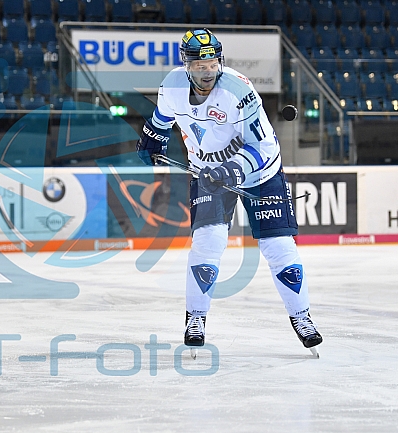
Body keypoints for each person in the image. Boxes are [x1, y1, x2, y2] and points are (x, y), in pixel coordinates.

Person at [135, 28, 323, 354]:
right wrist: (152, 137)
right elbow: (163, 118)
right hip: (208, 173)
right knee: (209, 241)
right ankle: (195, 317)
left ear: (219, 62)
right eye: (199, 66)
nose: (207, 72)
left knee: (277, 244)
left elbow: (262, 146)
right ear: (187, 66)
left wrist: (231, 170)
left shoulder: (239, 90)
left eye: (212, 64)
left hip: (260, 170)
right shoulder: (172, 86)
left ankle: (301, 316)